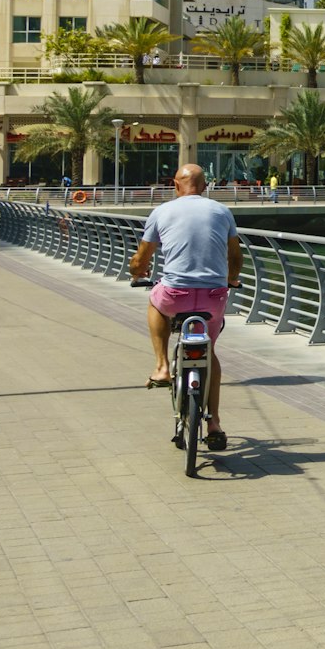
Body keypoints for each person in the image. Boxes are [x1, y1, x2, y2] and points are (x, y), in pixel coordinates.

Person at [130, 162, 243, 450]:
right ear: (205, 187)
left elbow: (142, 258)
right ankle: (214, 422)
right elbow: (235, 255)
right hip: (213, 297)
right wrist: (231, 280)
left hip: (174, 295)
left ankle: (161, 367)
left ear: (175, 185)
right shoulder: (221, 211)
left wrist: (136, 272)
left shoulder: (161, 212)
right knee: (211, 352)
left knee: (155, 304)